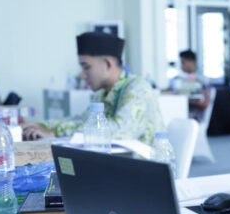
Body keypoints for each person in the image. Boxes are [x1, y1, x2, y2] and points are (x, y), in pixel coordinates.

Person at [22, 32, 165, 144]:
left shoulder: (138, 88)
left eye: (87, 67)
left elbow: (120, 130)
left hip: (144, 169)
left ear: (107, 64)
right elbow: (81, 120)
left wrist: (56, 132)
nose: (83, 75)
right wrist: (42, 126)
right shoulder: (102, 93)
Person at [168, 50, 211, 122]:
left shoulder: (203, 80)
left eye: (183, 62)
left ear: (192, 62)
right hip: (179, 114)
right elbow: (171, 91)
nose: (181, 66)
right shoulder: (178, 79)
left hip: (193, 117)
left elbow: (204, 103)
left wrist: (183, 99)